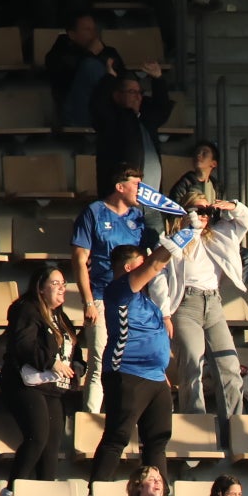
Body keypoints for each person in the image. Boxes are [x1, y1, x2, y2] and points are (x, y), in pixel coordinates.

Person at [90, 238, 179, 484]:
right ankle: (96, 491)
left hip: (156, 377)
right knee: (117, 437)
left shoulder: (146, 300)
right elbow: (154, 265)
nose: (147, 270)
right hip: (127, 372)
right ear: (130, 268)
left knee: (157, 442)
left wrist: (162, 373)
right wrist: (182, 236)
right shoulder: (119, 290)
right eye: (141, 265)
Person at [166, 188, 248, 426]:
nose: (204, 216)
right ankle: (195, 431)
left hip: (213, 303)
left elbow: (246, 219)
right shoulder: (175, 241)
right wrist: (189, 227)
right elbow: (165, 267)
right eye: (199, 210)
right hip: (186, 305)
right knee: (192, 367)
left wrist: (233, 206)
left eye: (207, 211)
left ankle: (234, 430)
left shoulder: (219, 235)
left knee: (230, 368)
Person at [71, 166, 145, 415]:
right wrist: (88, 301)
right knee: (99, 361)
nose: (140, 190)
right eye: (136, 184)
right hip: (101, 297)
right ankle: (91, 422)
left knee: (129, 363)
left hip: (131, 300)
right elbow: (80, 259)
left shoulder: (138, 217)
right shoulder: (94, 212)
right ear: (120, 187)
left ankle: (123, 419)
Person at [1, 265, 79, 484]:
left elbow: (73, 348)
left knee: (52, 446)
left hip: (53, 388)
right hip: (25, 385)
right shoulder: (27, 309)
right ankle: (13, 490)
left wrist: (78, 366)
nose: (61, 288)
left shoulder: (60, 316)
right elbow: (24, 344)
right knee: (37, 437)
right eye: (55, 284)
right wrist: (51, 362)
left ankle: (46, 493)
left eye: (63, 284)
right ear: (40, 288)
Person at [93, 65, 173, 211]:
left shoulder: (145, 119)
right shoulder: (112, 120)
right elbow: (98, 105)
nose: (138, 97)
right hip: (123, 203)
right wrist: (109, 78)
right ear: (117, 95)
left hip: (151, 201)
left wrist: (158, 79)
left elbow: (162, 109)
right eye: (132, 92)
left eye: (140, 92)